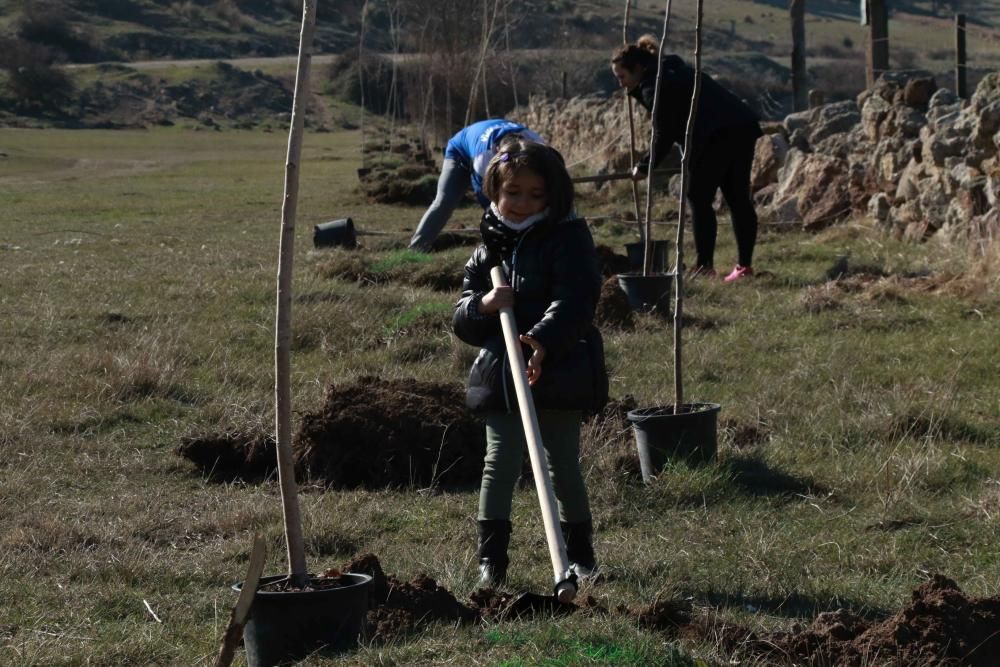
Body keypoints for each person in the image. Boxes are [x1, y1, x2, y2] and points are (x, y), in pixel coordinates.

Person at [452, 139, 608, 587]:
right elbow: (462, 315)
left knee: (561, 462)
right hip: (502, 372)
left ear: (553, 196)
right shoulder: (488, 248)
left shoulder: (568, 238)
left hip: (559, 367)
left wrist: (541, 340)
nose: (522, 204)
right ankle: (492, 563)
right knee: (499, 461)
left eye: (535, 195)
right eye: (513, 192)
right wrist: (482, 305)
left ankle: (580, 558)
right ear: (495, 191)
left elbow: (577, 298)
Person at [611, 35, 763, 282]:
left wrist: (644, 166)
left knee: (698, 196)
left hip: (715, 135)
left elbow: (664, 132)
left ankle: (705, 266)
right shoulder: (672, 69)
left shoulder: (655, 85)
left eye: (622, 77)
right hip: (742, 126)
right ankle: (743, 267)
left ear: (637, 69)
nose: (621, 84)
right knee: (737, 198)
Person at [409, 119, 544, 252]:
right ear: (497, 152)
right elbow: (488, 198)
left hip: (489, 137)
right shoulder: (483, 158)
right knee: (445, 200)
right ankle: (417, 248)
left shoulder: (540, 147)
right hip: (460, 151)